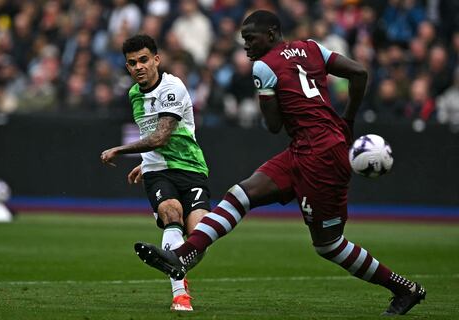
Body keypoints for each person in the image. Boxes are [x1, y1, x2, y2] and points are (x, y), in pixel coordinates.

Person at [134, 10, 427, 316]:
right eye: (243, 40)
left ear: (271, 34)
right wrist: (348, 120)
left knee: (329, 245)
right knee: (240, 194)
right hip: (308, 147)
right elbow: (359, 72)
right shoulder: (312, 47)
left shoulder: (264, 66)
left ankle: (404, 288)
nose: (245, 45)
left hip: (321, 158)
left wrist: (266, 91)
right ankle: (182, 255)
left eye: (250, 39)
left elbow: (273, 125)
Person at [100, 34, 211, 312]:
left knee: (200, 236)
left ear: (157, 60)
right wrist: (146, 162)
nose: (138, 67)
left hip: (191, 168)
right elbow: (150, 134)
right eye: (131, 63)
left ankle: (171, 260)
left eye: (143, 60)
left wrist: (120, 150)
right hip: (158, 172)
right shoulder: (134, 94)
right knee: (171, 212)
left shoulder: (173, 88)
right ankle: (180, 296)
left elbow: (161, 137)